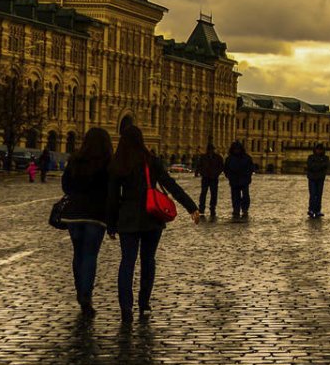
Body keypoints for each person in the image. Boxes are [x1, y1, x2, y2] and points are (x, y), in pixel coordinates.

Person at [105, 121, 199, 321]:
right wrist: (191, 207)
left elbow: (112, 198)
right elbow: (171, 186)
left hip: (128, 219)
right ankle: (144, 302)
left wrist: (111, 224)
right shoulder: (151, 161)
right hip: (151, 216)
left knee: (127, 262)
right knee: (148, 261)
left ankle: (125, 307)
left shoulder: (118, 163)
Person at [58, 126, 113, 319]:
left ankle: (80, 291)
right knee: (90, 255)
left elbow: (65, 185)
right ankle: (86, 295)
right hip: (95, 217)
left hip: (74, 216)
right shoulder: (107, 163)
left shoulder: (76, 160)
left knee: (78, 254)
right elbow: (111, 192)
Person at [223, 140, 255, 219]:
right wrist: (229, 176)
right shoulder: (230, 159)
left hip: (244, 180)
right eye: (235, 149)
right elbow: (226, 169)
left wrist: (247, 176)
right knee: (235, 196)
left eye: (238, 149)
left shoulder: (246, 158)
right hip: (234, 180)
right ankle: (236, 209)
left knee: (245, 196)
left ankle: (244, 209)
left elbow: (251, 168)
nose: (236, 150)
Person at [195, 144, 225, 220]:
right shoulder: (203, 157)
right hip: (205, 177)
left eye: (211, 149)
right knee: (203, 193)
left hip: (214, 178)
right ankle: (201, 207)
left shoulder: (218, 157)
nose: (210, 151)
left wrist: (216, 173)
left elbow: (221, 167)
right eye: (209, 149)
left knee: (213, 193)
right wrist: (201, 173)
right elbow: (199, 166)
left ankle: (212, 207)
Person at [306, 142, 330, 218]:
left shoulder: (325, 158)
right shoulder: (310, 157)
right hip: (312, 178)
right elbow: (311, 166)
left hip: (320, 178)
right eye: (317, 149)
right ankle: (311, 210)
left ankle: (317, 210)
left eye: (320, 150)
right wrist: (319, 165)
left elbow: (324, 166)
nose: (318, 151)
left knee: (319, 195)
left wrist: (316, 166)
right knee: (313, 194)